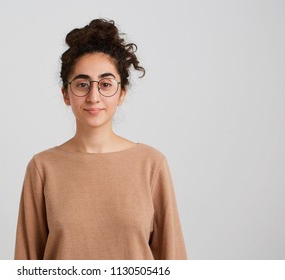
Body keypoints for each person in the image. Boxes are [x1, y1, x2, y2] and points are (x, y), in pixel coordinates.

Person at [14, 18, 187, 260]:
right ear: (66, 94)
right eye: (82, 84)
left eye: (105, 84)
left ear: (122, 93)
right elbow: (26, 261)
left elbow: (173, 258)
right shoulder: (43, 167)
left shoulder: (151, 164)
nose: (94, 96)